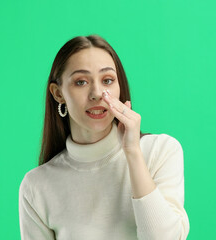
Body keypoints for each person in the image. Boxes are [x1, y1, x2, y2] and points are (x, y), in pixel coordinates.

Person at [18, 34, 190, 239]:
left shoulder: (160, 150)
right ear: (58, 93)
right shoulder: (37, 185)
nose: (97, 93)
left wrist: (133, 152)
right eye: (81, 82)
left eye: (107, 80)